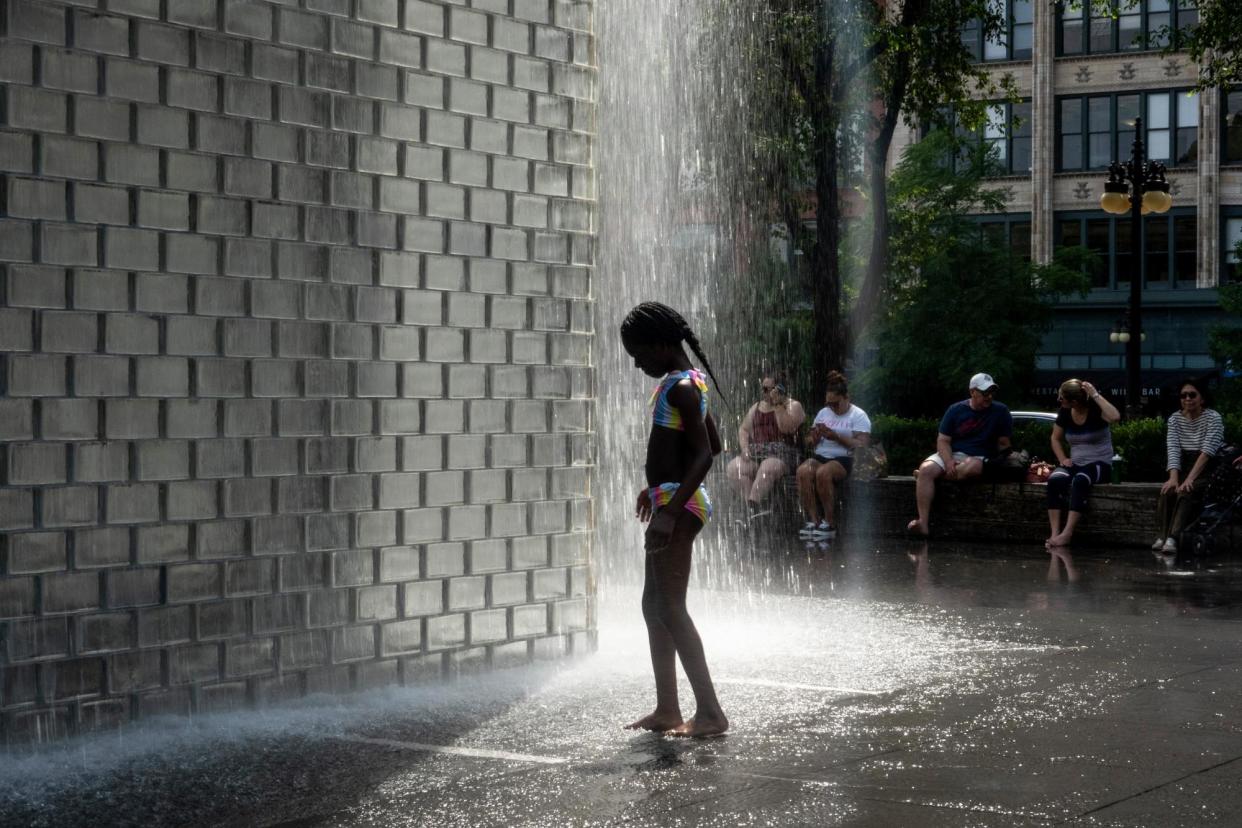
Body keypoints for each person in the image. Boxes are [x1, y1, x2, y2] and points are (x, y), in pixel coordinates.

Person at [620, 301, 728, 739]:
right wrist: (657, 487)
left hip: (679, 508)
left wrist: (668, 511)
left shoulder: (681, 387)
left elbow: (704, 456)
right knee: (653, 606)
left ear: (664, 345)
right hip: (672, 499)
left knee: (670, 607)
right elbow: (715, 444)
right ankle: (667, 708)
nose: (636, 361)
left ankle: (710, 713)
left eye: (640, 352)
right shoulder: (687, 383)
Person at [907, 372, 1012, 538]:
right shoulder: (955, 410)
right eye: (985, 393)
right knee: (926, 469)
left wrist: (1002, 460)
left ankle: (934, 478)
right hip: (953, 453)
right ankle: (923, 523)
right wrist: (948, 461)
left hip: (979, 457)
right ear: (972, 392)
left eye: (992, 392)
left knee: (973, 467)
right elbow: (943, 440)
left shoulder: (1001, 411)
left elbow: (1004, 443)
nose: (989, 397)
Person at [795, 371, 871, 540]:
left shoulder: (858, 415)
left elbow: (863, 445)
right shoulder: (823, 413)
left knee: (824, 473)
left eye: (835, 404)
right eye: (829, 404)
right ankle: (814, 521)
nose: (832, 408)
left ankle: (830, 522)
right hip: (822, 454)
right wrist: (814, 438)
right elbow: (808, 440)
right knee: (803, 472)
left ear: (846, 398)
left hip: (845, 457)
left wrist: (837, 437)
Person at [1045, 379, 1121, 547]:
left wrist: (1095, 394)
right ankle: (1055, 532)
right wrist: (1063, 459)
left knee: (1081, 479)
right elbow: (1055, 438)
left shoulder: (1096, 410)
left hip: (1100, 464)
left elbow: (1115, 417)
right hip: (1076, 462)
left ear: (1075, 401)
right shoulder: (1065, 412)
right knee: (1055, 479)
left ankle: (1067, 533)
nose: (1059, 401)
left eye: (1062, 398)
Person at [1153, 378, 1225, 553]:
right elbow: (1173, 449)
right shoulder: (1175, 419)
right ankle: (1162, 536)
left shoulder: (1213, 418)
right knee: (1168, 491)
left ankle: (1173, 537)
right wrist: (1173, 478)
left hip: (1206, 470)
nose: (1187, 399)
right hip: (1184, 466)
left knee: (1186, 491)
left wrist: (1189, 479)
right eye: (1183, 395)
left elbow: (1206, 453)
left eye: (1192, 395)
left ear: (1202, 398)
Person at [726, 372, 805, 520]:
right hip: (757, 454)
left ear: (779, 389)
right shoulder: (756, 407)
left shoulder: (793, 405)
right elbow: (743, 429)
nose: (764, 393)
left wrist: (778, 405)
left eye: (768, 389)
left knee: (767, 467)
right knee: (733, 468)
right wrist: (745, 448)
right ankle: (753, 511)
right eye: (763, 389)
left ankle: (752, 509)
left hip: (783, 456)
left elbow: (787, 428)